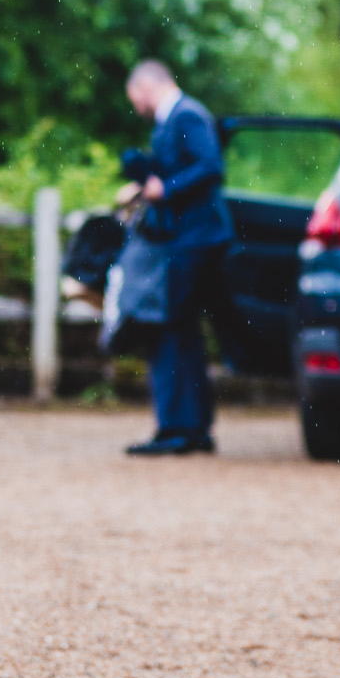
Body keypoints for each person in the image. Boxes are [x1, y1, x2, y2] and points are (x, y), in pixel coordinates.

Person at [119, 59, 233, 457]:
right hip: (191, 239)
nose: (135, 106)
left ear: (144, 88)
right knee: (182, 330)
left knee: (171, 326)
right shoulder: (174, 119)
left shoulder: (187, 115)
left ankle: (179, 427)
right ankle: (191, 426)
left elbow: (209, 167)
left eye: (134, 98)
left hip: (195, 240)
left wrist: (162, 190)